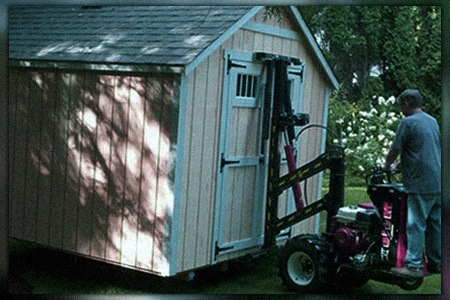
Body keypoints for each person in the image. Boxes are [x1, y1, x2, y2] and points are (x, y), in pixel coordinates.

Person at [383, 89, 441, 278]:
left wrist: (386, 165)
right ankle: (437, 263)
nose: (400, 109)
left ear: (406, 103)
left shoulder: (407, 123)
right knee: (435, 224)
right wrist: (399, 166)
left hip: (419, 182)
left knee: (415, 224)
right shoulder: (431, 121)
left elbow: (395, 148)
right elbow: (421, 150)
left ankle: (413, 266)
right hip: (438, 181)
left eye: (401, 105)